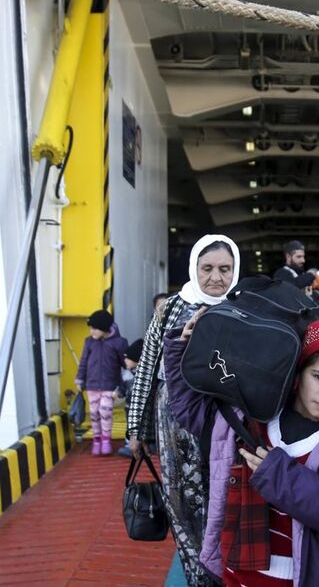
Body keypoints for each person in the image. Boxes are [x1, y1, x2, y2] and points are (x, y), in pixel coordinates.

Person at [163, 318, 319, 586]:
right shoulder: (253, 418)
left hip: (306, 577)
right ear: (298, 373)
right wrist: (183, 347)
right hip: (238, 573)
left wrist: (279, 475)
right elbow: (193, 412)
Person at [126, 234, 241, 587]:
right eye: (207, 268)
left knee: (227, 499)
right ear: (194, 268)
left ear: (236, 270)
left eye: (225, 268)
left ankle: (228, 575)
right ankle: (198, 577)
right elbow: (147, 368)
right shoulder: (171, 308)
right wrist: (137, 429)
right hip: (173, 423)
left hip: (226, 421)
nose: (216, 278)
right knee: (182, 502)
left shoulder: (244, 306)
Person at [75, 309, 128, 456]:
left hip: (109, 385)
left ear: (104, 328)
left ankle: (106, 440)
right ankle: (96, 440)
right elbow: (84, 361)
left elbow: (125, 365)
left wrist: (123, 386)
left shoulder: (119, 343)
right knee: (94, 413)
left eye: (94, 328)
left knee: (105, 411)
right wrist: (80, 379)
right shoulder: (89, 342)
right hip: (92, 384)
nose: (91, 331)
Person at [116, 339, 144, 458]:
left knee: (138, 426)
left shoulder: (142, 375)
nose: (125, 361)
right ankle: (129, 445)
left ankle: (140, 445)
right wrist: (118, 392)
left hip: (139, 408)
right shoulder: (127, 374)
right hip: (128, 407)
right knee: (130, 426)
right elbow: (122, 387)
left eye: (128, 358)